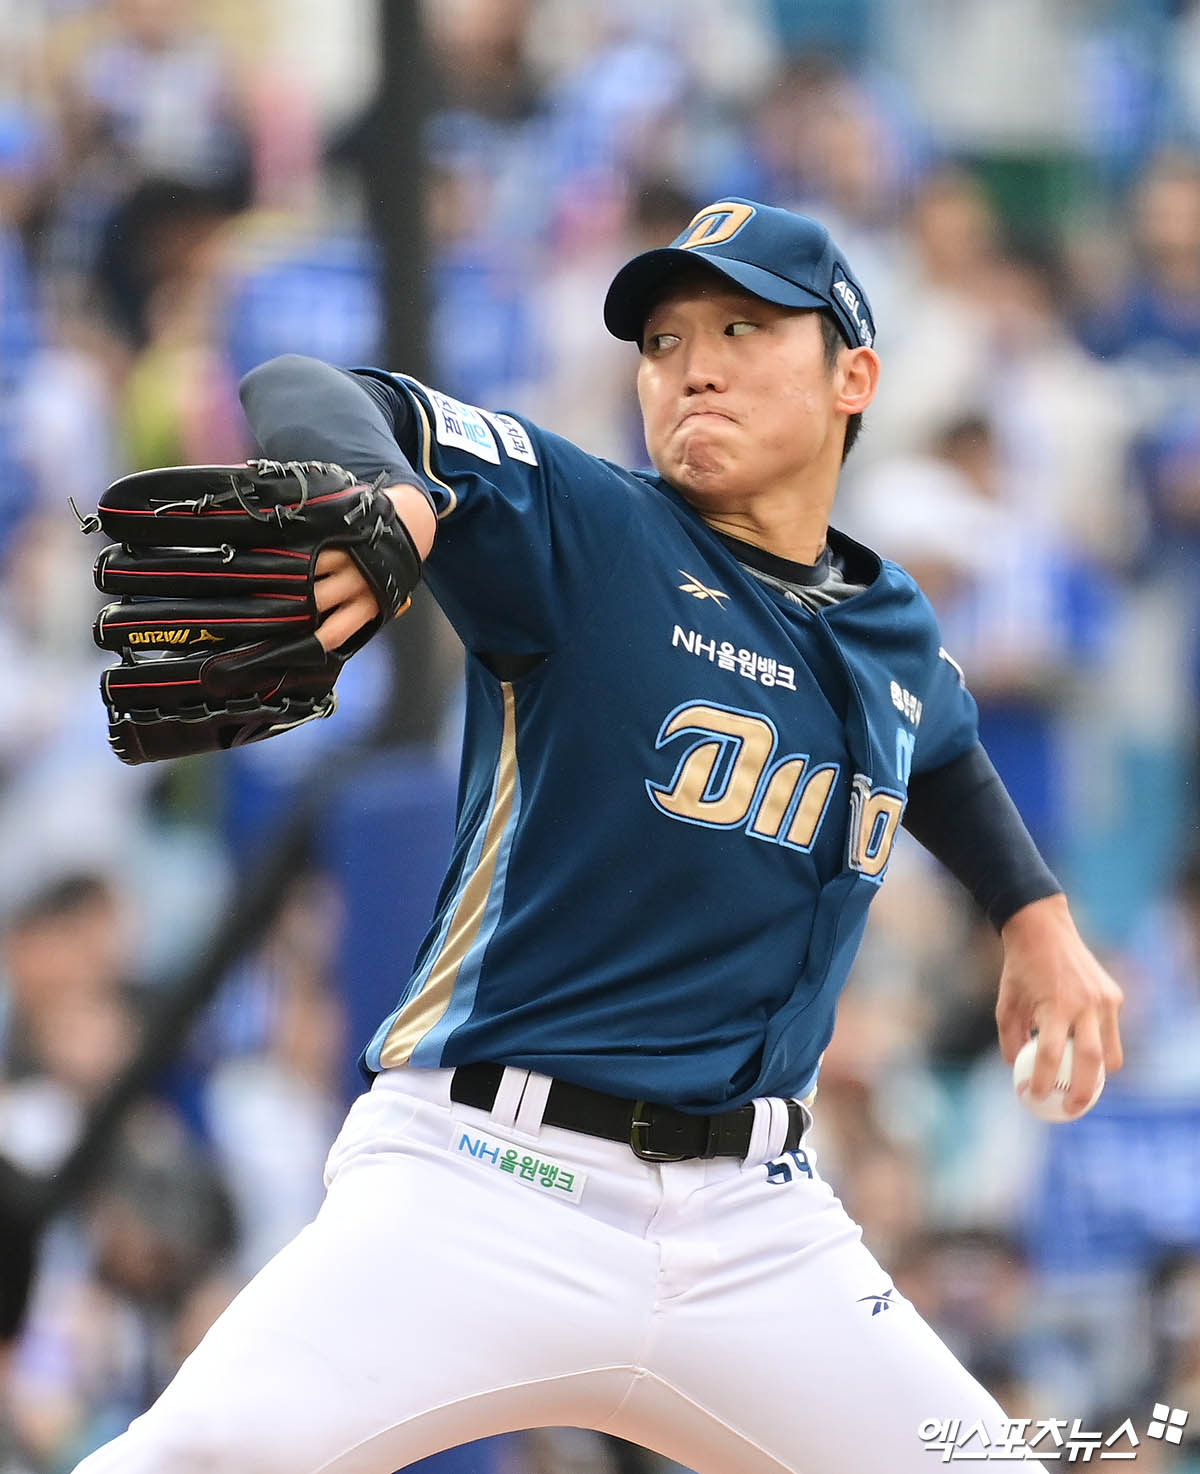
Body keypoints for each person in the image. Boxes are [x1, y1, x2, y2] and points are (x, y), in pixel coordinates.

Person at [70, 199, 1124, 1474]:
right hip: (484, 1179)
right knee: (201, 1455)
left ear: (855, 377)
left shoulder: (890, 622)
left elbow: (939, 737)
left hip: (757, 1229)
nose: (694, 366)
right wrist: (390, 490)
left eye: (742, 328)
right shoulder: (582, 524)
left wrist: (1034, 913)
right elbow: (313, 384)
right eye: (664, 341)